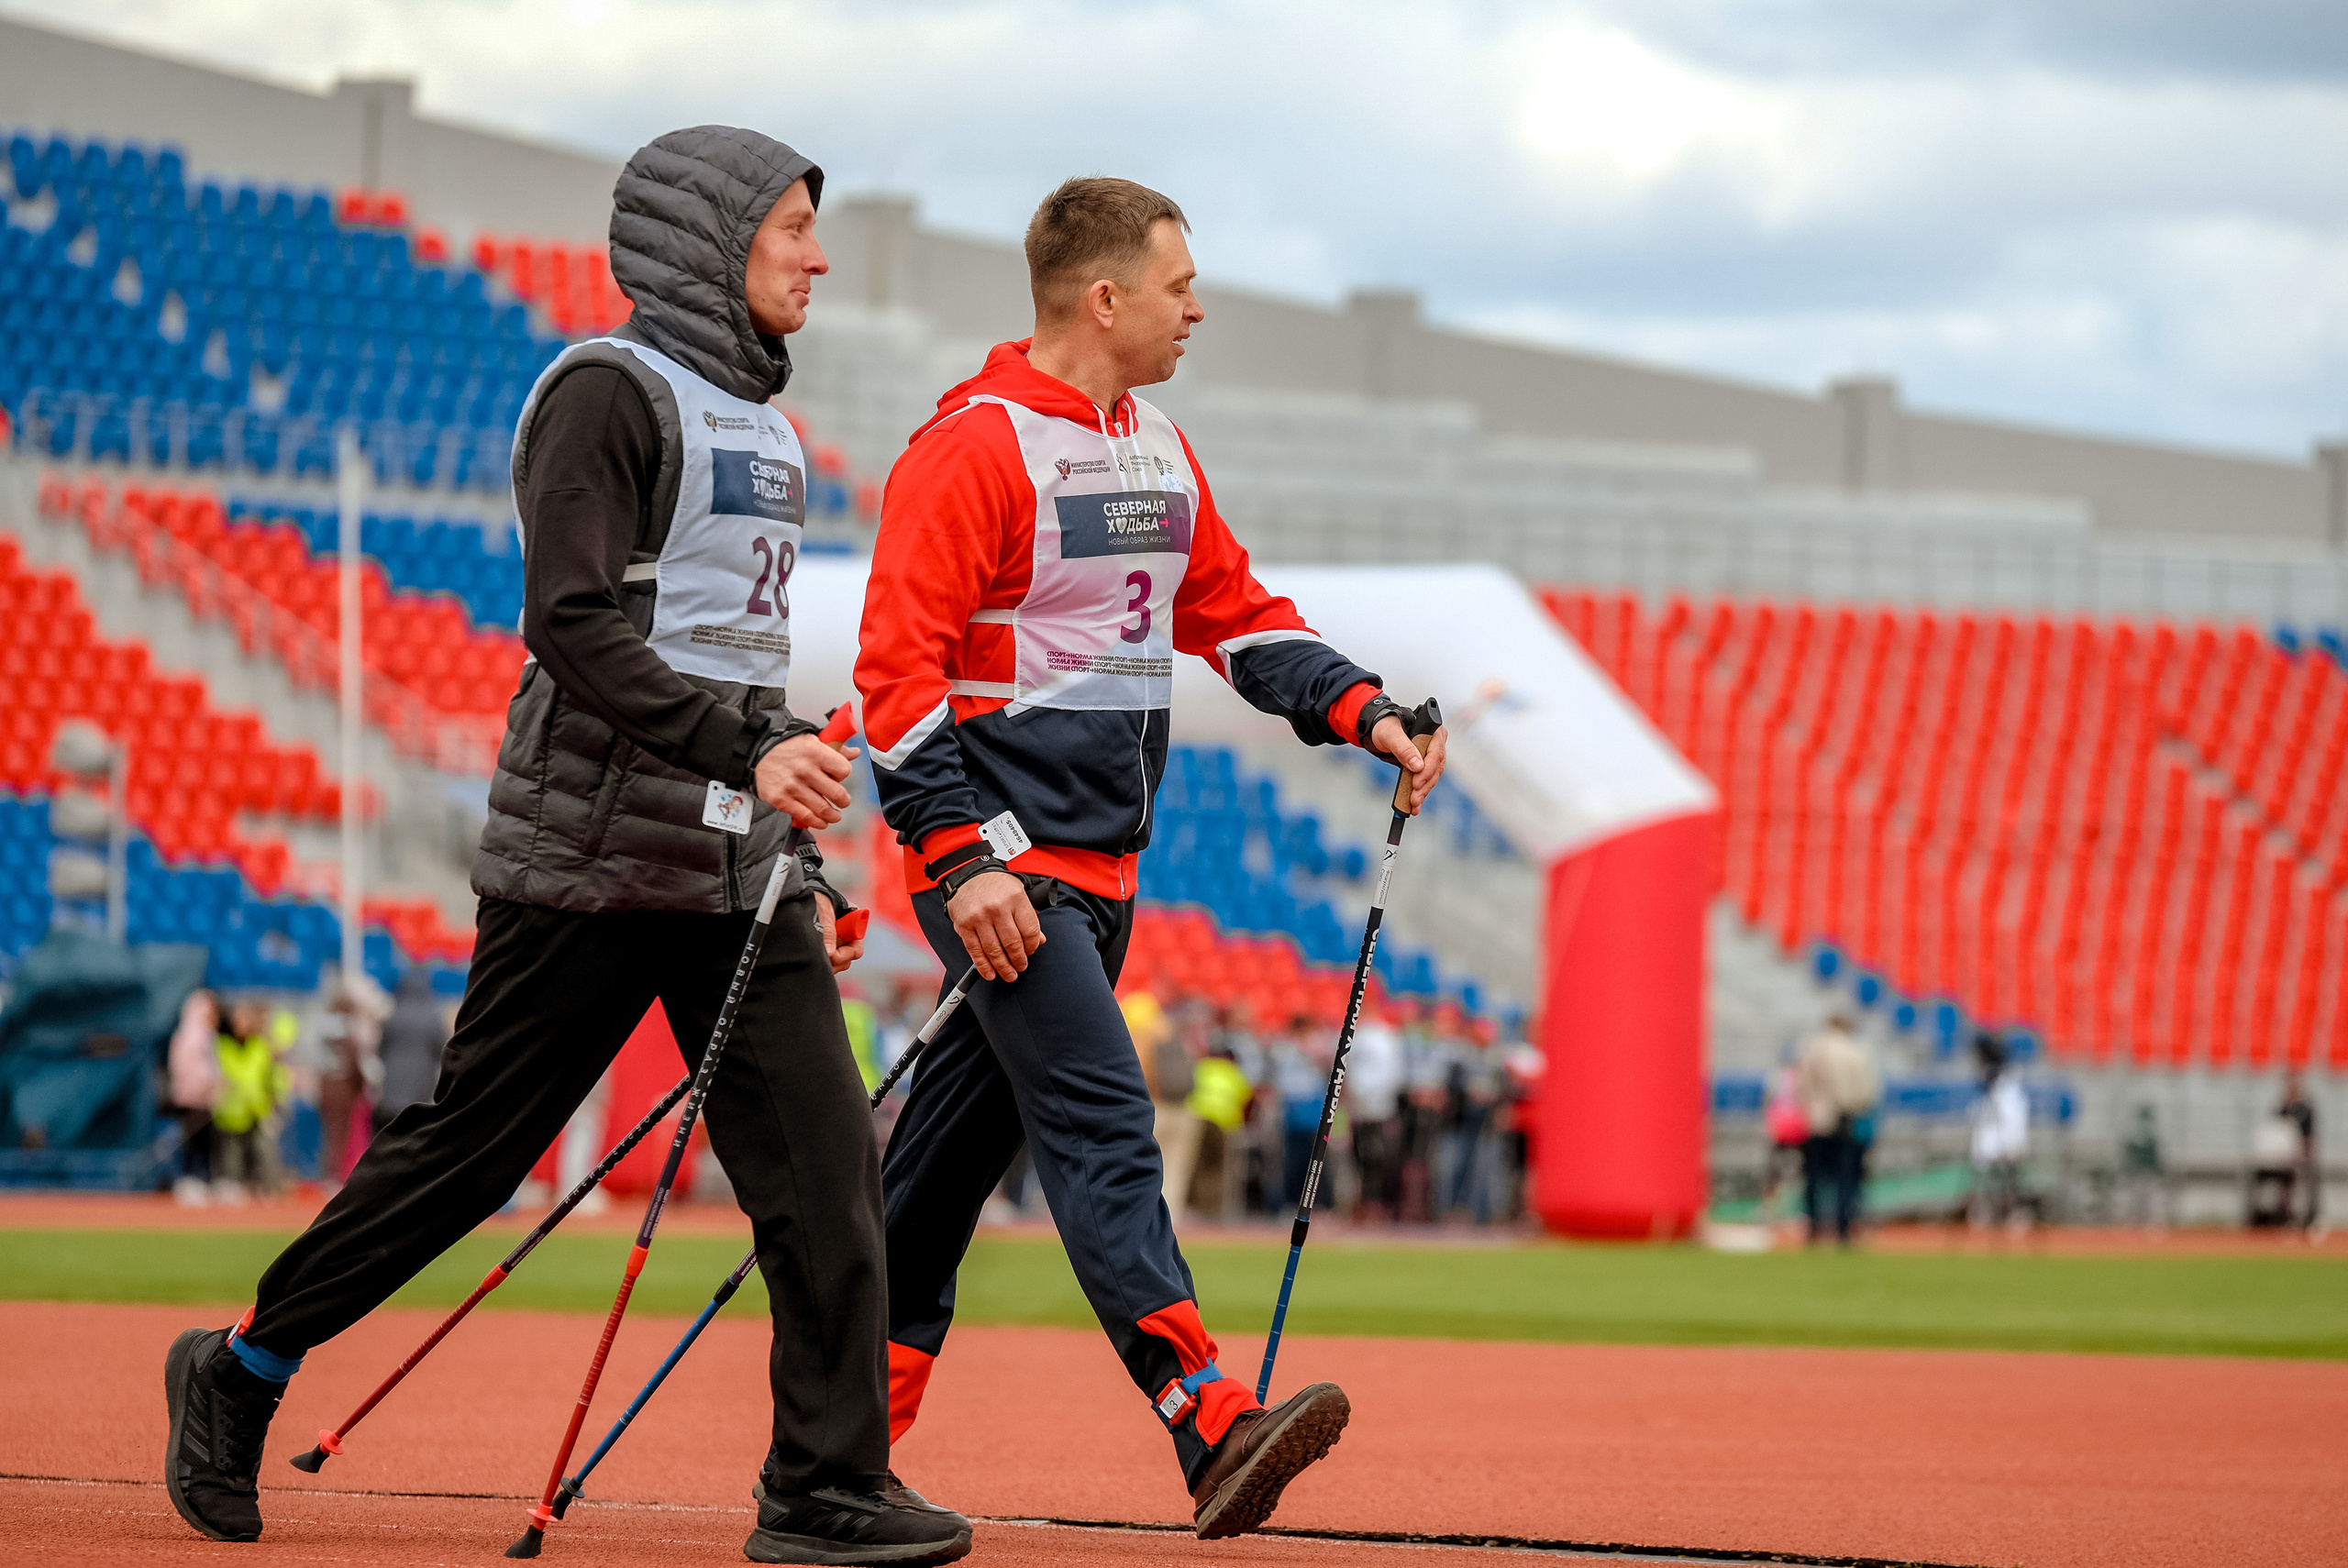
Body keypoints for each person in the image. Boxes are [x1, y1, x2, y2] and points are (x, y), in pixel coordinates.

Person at [161, 127, 973, 1567]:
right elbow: (572, 621)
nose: (819, 256)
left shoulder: (771, 430)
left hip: (731, 864)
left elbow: (726, 654)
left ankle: (825, 1485)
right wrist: (745, 752)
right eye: (793, 229)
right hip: (588, 853)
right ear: (711, 242)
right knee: (471, 1155)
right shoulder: (608, 392)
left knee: (834, 1162)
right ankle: (240, 1369)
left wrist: (800, 842)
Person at [856, 175, 1448, 1540]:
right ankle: (1206, 1417)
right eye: (1181, 285)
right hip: (1002, 875)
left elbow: (1236, 618)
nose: (1199, 308)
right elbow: (897, 681)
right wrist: (966, 861)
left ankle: (828, 1451)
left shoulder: (1159, 445)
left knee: (934, 1180)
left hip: (1104, 878)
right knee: (1107, 1124)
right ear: (1103, 296)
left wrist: (1365, 708)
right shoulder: (973, 446)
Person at [1796, 1013, 1878, 1246]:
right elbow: (1867, 1091)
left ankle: (1813, 1229)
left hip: (1816, 1120)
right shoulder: (1856, 1051)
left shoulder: (1810, 1050)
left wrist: (1814, 1106)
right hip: (1846, 1120)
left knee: (1813, 1177)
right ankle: (1843, 1230)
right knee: (1846, 1178)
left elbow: (1801, 1087)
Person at [211, 999, 290, 1203]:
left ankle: (272, 1191)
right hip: (231, 1109)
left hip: (258, 1107)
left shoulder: (261, 1046)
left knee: (266, 1151)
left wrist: (275, 1103)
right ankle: (232, 1189)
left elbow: (270, 1077)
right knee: (231, 1153)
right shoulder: (223, 1045)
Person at [370, 968, 449, 1137]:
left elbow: (380, 1050)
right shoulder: (433, 1017)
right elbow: (442, 1051)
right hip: (419, 1091)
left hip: (390, 1093)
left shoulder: (393, 1015)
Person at [1344, 1003, 1403, 1222]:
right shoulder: (1359, 1038)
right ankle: (1361, 1206)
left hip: (1376, 1110)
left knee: (1375, 1160)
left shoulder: (1385, 1038)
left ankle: (1373, 1206)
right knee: (1360, 1160)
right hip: (1362, 1111)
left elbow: (1392, 1074)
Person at [1969, 1032, 2029, 1231]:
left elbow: (2010, 1116)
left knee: (2009, 1181)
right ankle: (1986, 1212)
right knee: (1990, 1180)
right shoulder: (1996, 1082)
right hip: (1995, 1139)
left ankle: (2015, 1215)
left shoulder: (2006, 1083)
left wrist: (2009, 1144)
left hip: (2005, 1140)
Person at [166, 988, 219, 1205]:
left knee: (205, 1143)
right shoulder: (191, 1035)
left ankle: (201, 1180)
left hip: (204, 1098)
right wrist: (207, 1084)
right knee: (193, 1142)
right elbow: (187, 1068)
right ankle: (188, 1181)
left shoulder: (205, 1036)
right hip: (193, 1098)